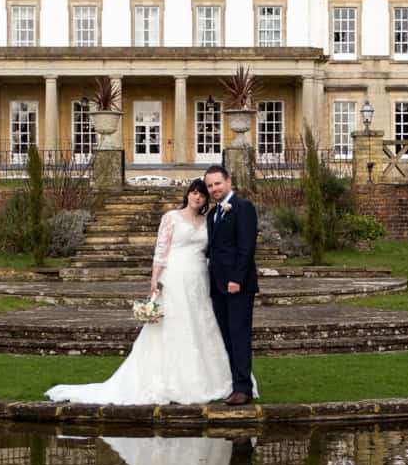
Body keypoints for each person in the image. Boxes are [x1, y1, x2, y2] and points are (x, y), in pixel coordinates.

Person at [45, 179, 234, 405]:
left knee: (200, 323)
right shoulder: (171, 217)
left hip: (199, 277)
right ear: (187, 195)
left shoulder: (208, 220)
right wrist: (155, 277)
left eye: (202, 195)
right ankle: (170, 380)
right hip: (174, 275)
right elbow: (161, 249)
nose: (197, 198)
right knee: (174, 324)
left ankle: (210, 378)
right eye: (194, 193)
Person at [204, 164, 259, 405]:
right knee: (226, 336)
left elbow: (246, 248)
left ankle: (243, 389)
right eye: (210, 186)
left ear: (228, 182)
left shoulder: (243, 207)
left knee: (239, 335)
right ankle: (234, 383)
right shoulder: (213, 213)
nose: (214, 189)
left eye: (217, 183)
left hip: (238, 285)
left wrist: (236, 279)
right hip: (217, 286)